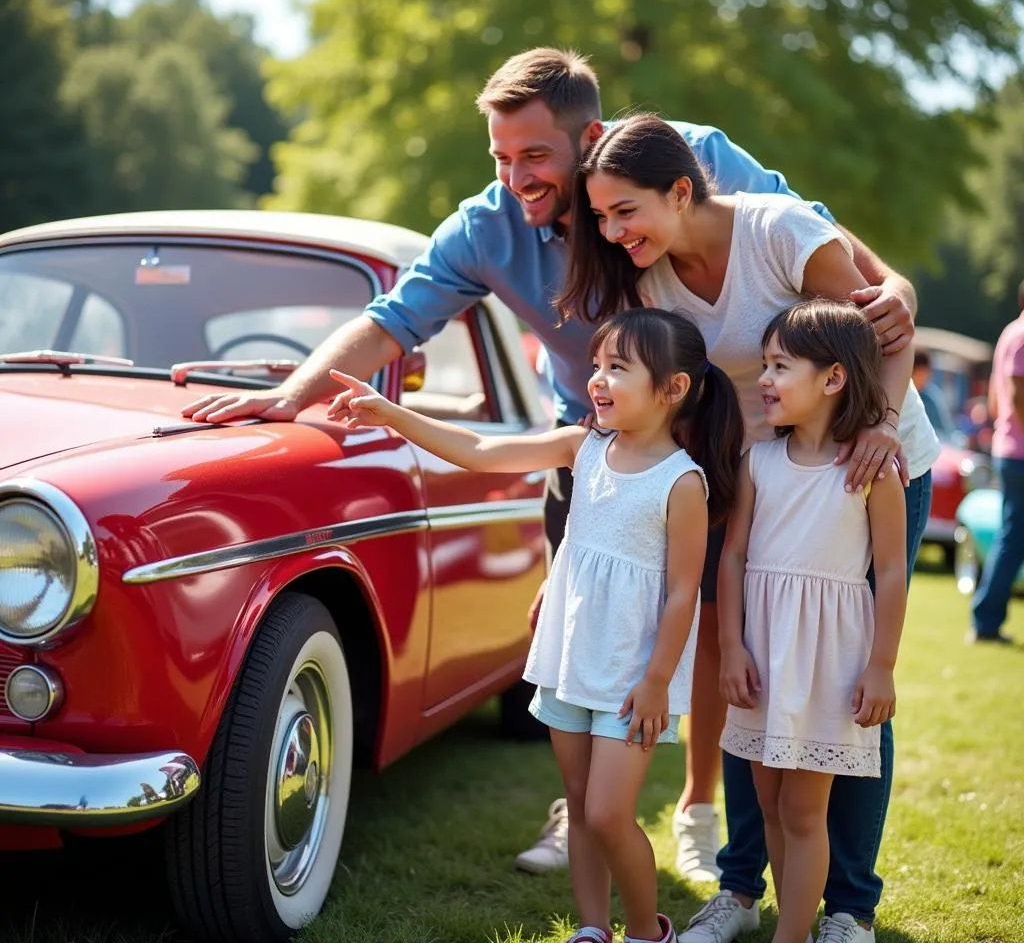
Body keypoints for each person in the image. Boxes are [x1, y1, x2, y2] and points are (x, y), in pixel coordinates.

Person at [180, 47, 919, 882]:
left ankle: (704, 814)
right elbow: (393, 320)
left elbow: (803, 220)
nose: (516, 177)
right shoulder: (486, 224)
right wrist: (290, 395)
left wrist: (891, 280)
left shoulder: (680, 156)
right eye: (500, 156)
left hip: (730, 437)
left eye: (535, 155)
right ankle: (593, 809)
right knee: (586, 621)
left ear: (590, 140)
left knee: (742, 628)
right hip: (594, 438)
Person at [557, 114, 938, 943]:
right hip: (764, 476)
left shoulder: (781, 232)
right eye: (604, 218)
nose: (615, 233)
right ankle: (738, 887)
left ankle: (847, 908)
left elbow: (884, 325)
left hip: (871, 465)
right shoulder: (649, 277)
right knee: (748, 672)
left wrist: (878, 422)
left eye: (627, 212)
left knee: (849, 686)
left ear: (682, 189)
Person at [325, 307, 745, 943]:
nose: (597, 380)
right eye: (597, 366)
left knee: (608, 812)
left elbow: (686, 593)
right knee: (579, 805)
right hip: (571, 658)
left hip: (634, 675)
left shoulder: (681, 482)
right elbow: (480, 451)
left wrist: (658, 680)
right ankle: (592, 928)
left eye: (618, 368)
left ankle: (645, 932)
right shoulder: (583, 448)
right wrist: (391, 414)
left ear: (673, 388)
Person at [719, 299, 907, 943]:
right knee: (770, 803)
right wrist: (730, 647)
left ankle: (794, 934)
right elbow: (735, 555)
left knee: (804, 810)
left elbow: (892, 573)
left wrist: (881, 666)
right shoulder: (758, 462)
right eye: (764, 364)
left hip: (829, 662)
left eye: (780, 365)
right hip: (765, 657)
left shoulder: (872, 473)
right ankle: (789, 921)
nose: (765, 379)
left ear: (833, 378)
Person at [968, 280, 1024, 645]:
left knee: (1011, 537)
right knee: (1012, 539)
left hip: (1009, 449)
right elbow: (1018, 392)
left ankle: (985, 619)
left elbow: (994, 396)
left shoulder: (1008, 334)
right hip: (1021, 453)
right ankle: (986, 622)